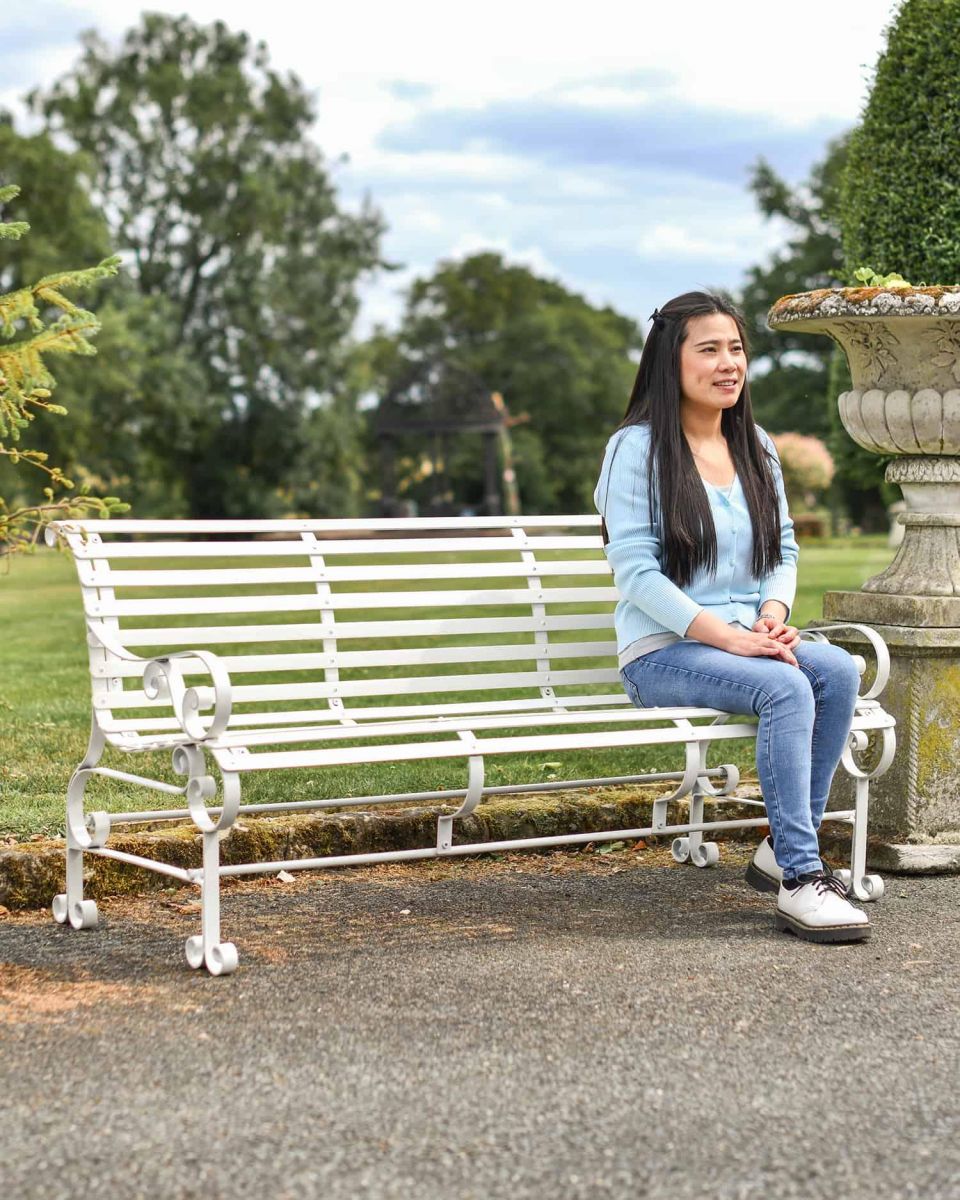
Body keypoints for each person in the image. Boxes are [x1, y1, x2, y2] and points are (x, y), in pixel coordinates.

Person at [595, 290, 868, 943]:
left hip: (743, 636)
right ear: (671, 360)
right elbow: (636, 573)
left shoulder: (756, 445)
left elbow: (784, 549)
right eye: (709, 349)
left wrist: (771, 616)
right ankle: (802, 881)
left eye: (736, 349)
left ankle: (780, 847)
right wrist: (731, 640)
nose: (729, 364)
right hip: (664, 650)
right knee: (784, 685)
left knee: (835, 670)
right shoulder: (634, 450)